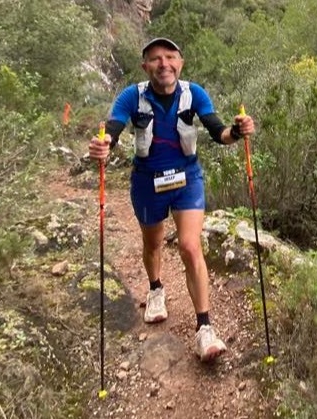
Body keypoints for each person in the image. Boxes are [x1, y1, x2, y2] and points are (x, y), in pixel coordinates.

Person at [88, 37, 255, 362]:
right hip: (147, 182)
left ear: (181, 62)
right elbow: (113, 130)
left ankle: (205, 329)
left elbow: (218, 132)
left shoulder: (194, 94)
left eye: (170, 57)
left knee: (191, 246)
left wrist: (237, 132)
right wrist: (102, 144)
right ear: (145, 67)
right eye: (155, 59)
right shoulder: (131, 97)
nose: (163, 64)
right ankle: (155, 289)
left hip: (187, 180)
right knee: (153, 244)